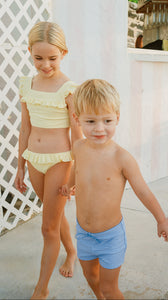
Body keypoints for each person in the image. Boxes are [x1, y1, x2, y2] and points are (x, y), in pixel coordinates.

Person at [60, 79, 168, 299]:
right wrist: (69, 184)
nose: (99, 128)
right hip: (84, 233)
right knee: (92, 279)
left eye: (107, 120)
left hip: (110, 236)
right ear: (77, 119)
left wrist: (162, 219)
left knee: (109, 288)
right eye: (91, 121)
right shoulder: (79, 147)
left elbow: (143, 192)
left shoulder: (122, 158)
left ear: (117, 118)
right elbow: (77, 168)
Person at [14, 21, 82, 299]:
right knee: (54, 215)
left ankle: (41, 290)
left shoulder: (69, 89)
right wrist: (19, 166)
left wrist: (76, 175)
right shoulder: (26, 84)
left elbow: (77, 137)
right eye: (38, 58)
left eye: (52, 58)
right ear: (30, 51)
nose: (45, 64)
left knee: (47, 225)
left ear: (63, 53)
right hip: (33, 160)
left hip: (60, 162)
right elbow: (25, 128)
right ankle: (73, 252)